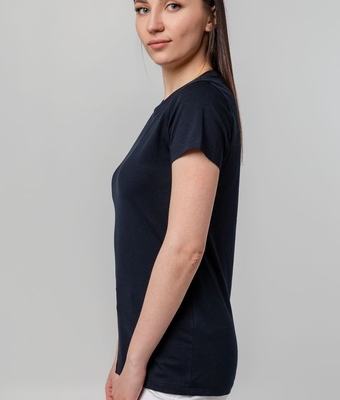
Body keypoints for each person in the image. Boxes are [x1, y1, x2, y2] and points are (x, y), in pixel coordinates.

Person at [106, 0, 242, 399]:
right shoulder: (178, 107)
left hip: (180, 363)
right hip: (159, 360)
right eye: (142, 9)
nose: (154, 24)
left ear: (211, 17)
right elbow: (146, 249)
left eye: (173, 5)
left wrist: (134, 363)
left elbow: (185, 249)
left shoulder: (198, 105)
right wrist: (124, 356)